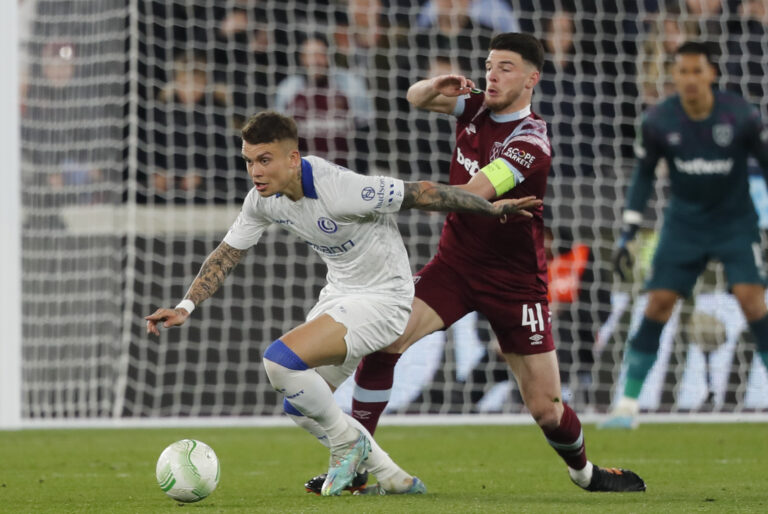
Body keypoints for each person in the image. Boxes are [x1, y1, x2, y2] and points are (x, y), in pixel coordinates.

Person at [305, 32, 646, 494]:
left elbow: (472, 196)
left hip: (516, 283)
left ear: (532, 78)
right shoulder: (476, 108)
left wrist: (394, 194)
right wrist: (436, 84)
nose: (492, 73)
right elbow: (414, 98)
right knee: (386, 342)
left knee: (546, 408)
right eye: (489, 64)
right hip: (455, 265)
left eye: (505, 67)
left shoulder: (532, 142)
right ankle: (354, 462)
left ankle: (587, 474)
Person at [145, 110, 541, 496]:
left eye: (265, 160)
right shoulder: (261, 200)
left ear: (293, 157)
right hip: (341, 295)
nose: (256, 172)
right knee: (300, 405)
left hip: (386, 299)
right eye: (249, 162)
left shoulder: (341, 188)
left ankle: (346, 446)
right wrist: (186, 306)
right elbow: (227, 253)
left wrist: (490, 207)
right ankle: (392, 477)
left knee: (278, 360)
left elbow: (422, 193)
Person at [601, 41, 768, 429]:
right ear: (672, 75)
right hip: (684, 224)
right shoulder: (659, 120)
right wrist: (628, 228)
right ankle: (627, 404)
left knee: (752, 301)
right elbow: (644, 175)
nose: (689, 79)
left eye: (697, 71)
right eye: (682, 71)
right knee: (658, 303)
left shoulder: (740, 115)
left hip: (734, 222)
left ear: (712, 73)